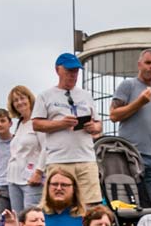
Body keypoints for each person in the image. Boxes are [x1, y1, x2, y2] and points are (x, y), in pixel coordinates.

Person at [32, 52, 104, 211]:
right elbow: (36, 124)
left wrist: (93, 127)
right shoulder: (45, 96)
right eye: (69, 71)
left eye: (76, 71)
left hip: (86, 158)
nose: (73, 75)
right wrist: (61, 124)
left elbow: (99, 125)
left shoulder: (86, 95)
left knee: (91, 207)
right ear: (58, 70)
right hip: (59, 160)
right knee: (56, 206)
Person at [109, 49, 151, 203]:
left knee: (148, 202)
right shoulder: (127, 86)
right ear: (139, 64)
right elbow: (114, 115)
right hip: (130, 155)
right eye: (148, 63)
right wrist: (139, 103)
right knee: (126, 202)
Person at [6, 85, 42, 211]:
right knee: (18, 220)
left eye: (22, 98)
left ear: (29, 99)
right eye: (15, 100)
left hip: (31, 179)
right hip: (13, 178)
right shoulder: (20, 123)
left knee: (31, 217)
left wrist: (39, 172)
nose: (19, 102)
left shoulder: (37, 121)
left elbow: (46, 148)